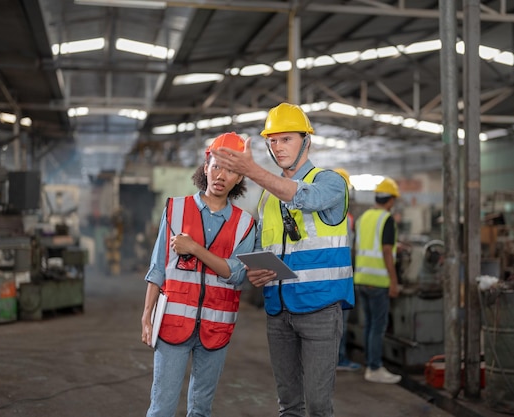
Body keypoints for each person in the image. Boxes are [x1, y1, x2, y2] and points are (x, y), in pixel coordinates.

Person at [211, 102, 355, 417]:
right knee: (288, 406)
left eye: (286, 138)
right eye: (272, 141)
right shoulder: (266, 198)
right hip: (278, 311)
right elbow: (265, 247)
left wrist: (253, 171)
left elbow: (305, 197)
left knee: (318, 407)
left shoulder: (330, 182)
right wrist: (257, 271)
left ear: (307, 140)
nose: (278, 147)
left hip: (319, 309)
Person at [140, 132, 257, 417]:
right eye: (216, 165)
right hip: (172, 324)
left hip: (216, 329)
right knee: (162, 408)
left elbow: (236, 274)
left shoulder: (245, 224)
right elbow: (158, 267)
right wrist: (147, 314)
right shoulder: (175, 209)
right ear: (206, 167)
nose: (221, 175)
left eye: (231, 170)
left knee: (201, 410)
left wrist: (193, 247)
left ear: (240, 177)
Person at [354, 177, 402, 384]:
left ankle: (369, 364)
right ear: (390, 200)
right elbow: (385, 251)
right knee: (377, 326)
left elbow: (361, 247)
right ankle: (374, 367)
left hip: (361, 278)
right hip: (378, 281)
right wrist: (393, 281)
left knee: (369, 325)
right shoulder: (387, 219)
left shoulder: (363, 217)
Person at [333, 168, 362, 372]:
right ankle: (339, 358)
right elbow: (348, 249)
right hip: (340, 275)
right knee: (339, 321)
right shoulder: (346, 216)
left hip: (324, 275)